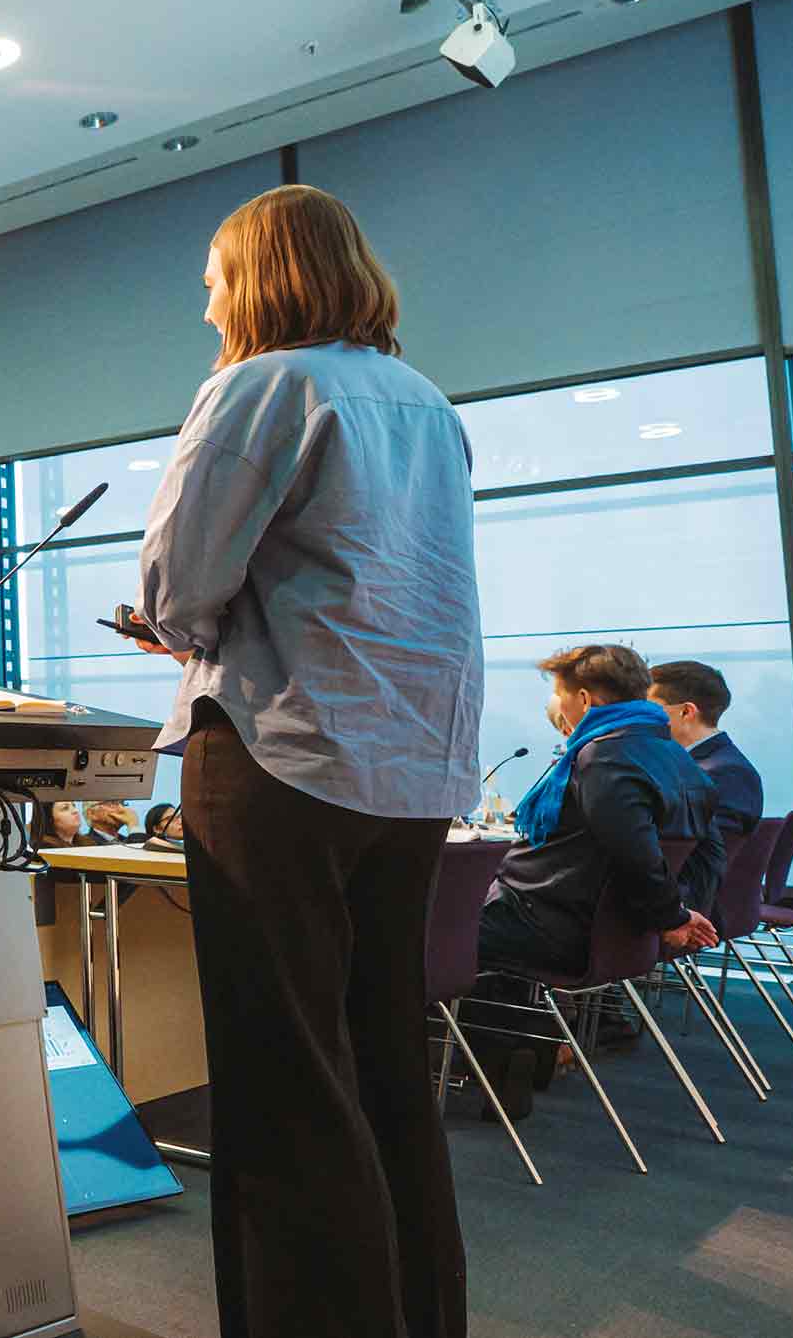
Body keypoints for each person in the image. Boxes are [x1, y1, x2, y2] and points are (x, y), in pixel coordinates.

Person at [132, 184, 479, 1338]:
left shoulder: (261, 383)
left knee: (285, 1081)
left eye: (217, 281)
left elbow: (180, 589)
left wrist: (174, 624)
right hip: (415, 769)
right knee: (385, 1064)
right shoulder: (429, 404)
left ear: (265, 276)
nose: (208, 308)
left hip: (281, 756)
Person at [479, 645, 721, 979]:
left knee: (415, 922)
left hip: (544, 924)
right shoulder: (679, 760)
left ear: (583, 699)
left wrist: (672, 916)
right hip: (609, 932)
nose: (560, 709)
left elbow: (635, 854)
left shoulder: (603, 756)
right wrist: (674, 913)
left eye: (558, 695)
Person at [648, 659, 761, 912]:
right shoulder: (706, 765)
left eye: (649, 710)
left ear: (686, 712)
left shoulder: (724, 772)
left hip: (684, 907)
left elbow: (694, 858)